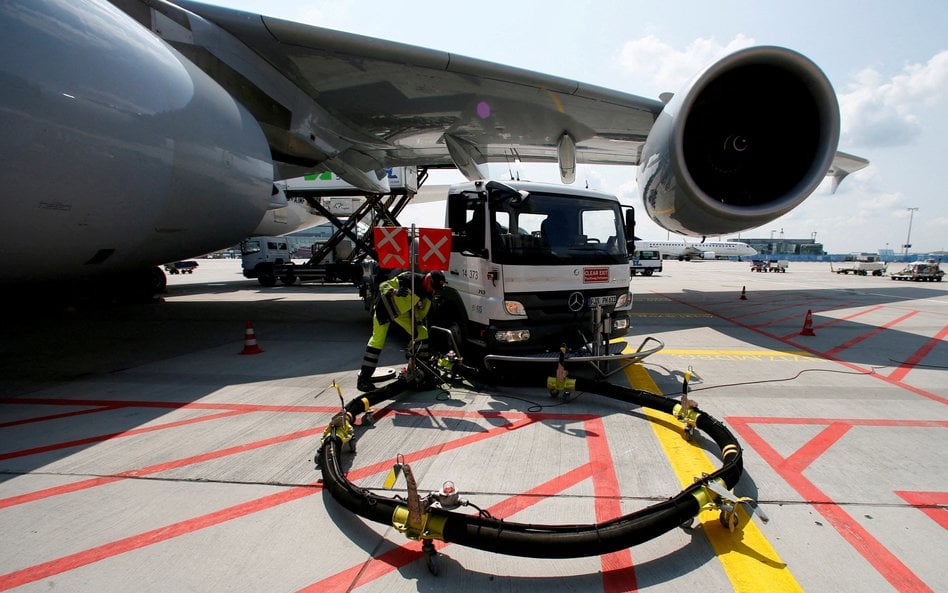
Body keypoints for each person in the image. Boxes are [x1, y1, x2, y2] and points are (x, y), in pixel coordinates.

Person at [357, 270, 447, 392]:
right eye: (433, 287)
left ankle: (423, 370)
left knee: (422, 332)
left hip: (401, 313)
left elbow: (421, 314)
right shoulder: (409, 278)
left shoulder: (428, 294)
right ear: (427, 279)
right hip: (385, 309)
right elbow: (383, 285)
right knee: (378, 340)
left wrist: (416, 324)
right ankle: (363, 379)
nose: (433, 291)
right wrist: (393, 291)